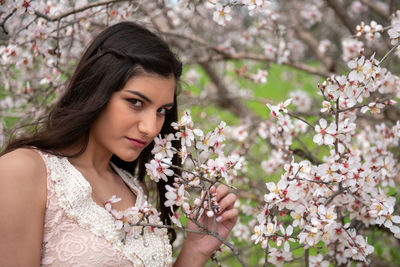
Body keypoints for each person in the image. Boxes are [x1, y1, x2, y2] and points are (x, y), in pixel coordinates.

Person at [0, 21, 238, 266]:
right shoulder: (24, 171)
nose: (151, 128)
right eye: (135, 102)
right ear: (97, 89)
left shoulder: (134, 190)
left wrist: (196, 249)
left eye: (162, 110)